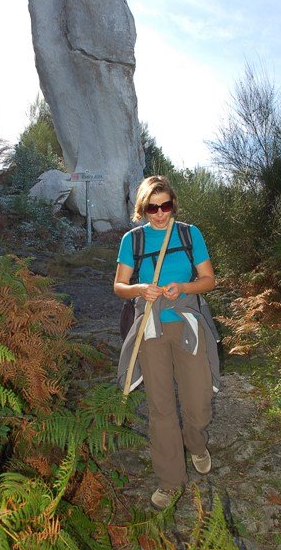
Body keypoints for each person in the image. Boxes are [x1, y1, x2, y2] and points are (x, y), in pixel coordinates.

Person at [114, 175, 219, 510]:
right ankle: (170, 480)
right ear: (142, 209)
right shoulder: (133, 240)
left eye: (166, 205)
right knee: (161, 406)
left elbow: (209, 280)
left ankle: (196, 442)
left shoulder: (189, 234)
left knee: (199, 399)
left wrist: (184, 287)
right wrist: (139, 289)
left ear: (173, 204)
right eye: (152, 208)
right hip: (151, 327)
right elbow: (119, 286)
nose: (160, 213)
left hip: (188, 323)